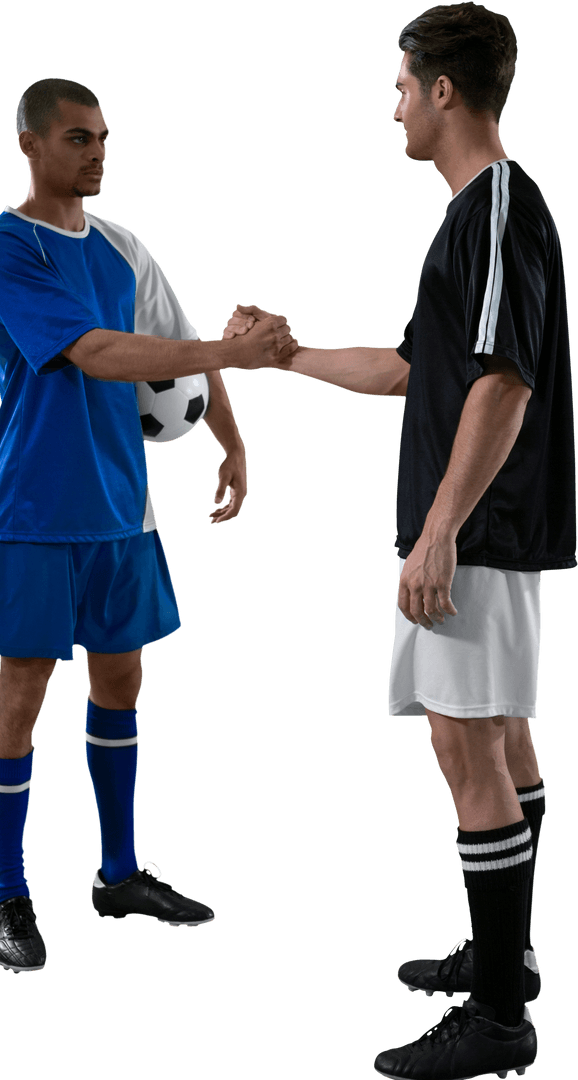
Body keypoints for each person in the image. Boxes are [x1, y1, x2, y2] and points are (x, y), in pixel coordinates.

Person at [224, 4, 576, 1077]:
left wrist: (439, 533)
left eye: (401, 87)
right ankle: (508, 960)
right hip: (475, 530)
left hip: (476, 532)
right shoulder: (471, 217)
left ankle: (499, 1019)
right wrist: (282, 357)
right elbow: (411, 370)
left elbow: (505, 384)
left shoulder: (499, 205)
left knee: (465, 749)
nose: (393, 108)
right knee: (500, 739)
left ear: (442, 91)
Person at [0, 78, 299, 977]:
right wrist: (236, 352)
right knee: (23, 693)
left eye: (105, 137)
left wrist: (233, 443)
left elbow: (177, 342)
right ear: (31, 145)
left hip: (124, 511)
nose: (98, 153)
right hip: (36, 513)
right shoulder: (2, 251)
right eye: (79, 138)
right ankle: (8, 893)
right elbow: (100, 353)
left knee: (122, 681)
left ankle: (117, 874)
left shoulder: (123, 246)